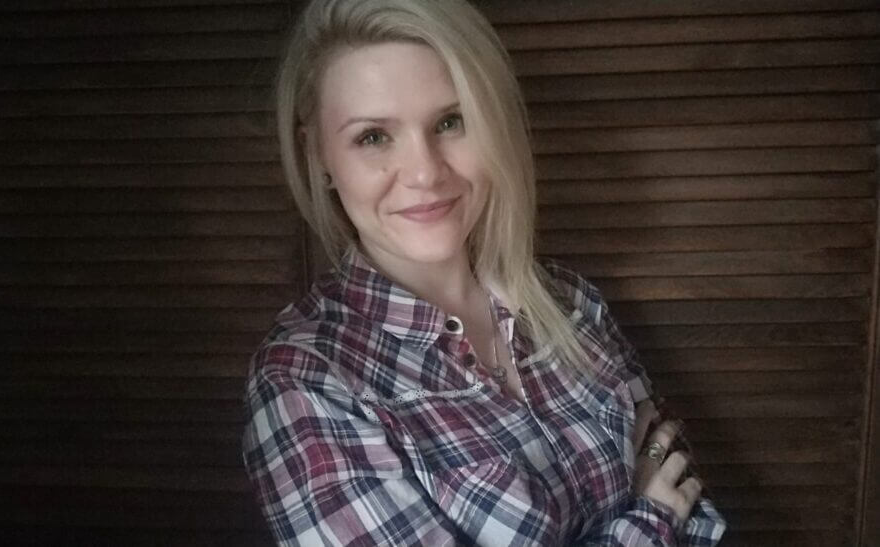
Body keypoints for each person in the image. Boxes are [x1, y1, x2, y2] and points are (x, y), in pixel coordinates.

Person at [241, 0, 727, 544]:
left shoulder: (571, 302)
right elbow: (670, 511)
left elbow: (693, 507)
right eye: (373, 136)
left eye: (451, 122)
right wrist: (649, 519)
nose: (425, 173)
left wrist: (662, 510)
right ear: (319, 155)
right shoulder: (307, 382)